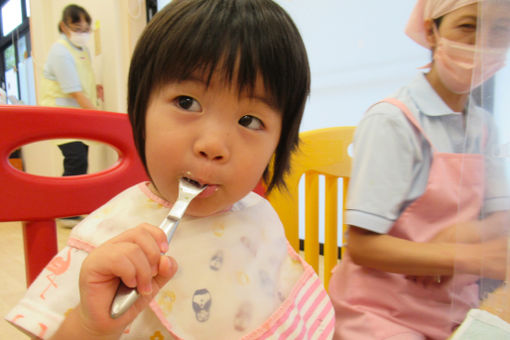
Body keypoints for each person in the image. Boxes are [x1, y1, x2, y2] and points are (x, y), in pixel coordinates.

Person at [6, 1, 335, 339]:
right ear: (141, 109)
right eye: (187, 102)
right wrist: (91, 326)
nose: (213, 145)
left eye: (249, 121)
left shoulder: (259, 217)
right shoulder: (111, 234)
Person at [328, 0, 510, 339]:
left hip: (453, 310)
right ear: (431, 31)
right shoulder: (393, 121)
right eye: (468, 26)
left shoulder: (485, 127)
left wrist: (463, 235)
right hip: (381, 313)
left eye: (500, 29)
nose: (483, 42)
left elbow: (501, 220)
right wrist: (463, 257)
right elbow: (364, 246)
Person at [41, 4, 103, 195]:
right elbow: (74, 91)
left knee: (81, 160)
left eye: (86, 30)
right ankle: (63, 206)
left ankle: (72, 206)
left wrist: (96, 90)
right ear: (64, 26)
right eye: (77, 29)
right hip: (62, 117)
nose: (82, 34)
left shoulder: (82, 49)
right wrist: (99, 116)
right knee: (76, 160)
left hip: (78, 116)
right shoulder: (60, 51)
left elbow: (83, 81)